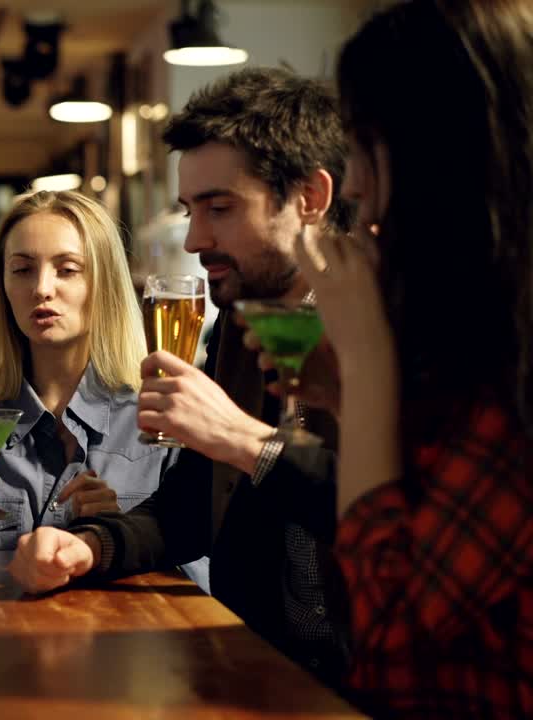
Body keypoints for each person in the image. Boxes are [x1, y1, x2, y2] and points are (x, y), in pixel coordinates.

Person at [6, 67, 353, 684]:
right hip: (260, 668)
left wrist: (246, 442)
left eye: (220, 208)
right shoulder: (241, 328)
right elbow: (191, 507)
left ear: (310, 199)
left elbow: (392, 513)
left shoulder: (389, 332)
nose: (194, 239)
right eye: (189, 209)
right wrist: (91, 547)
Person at [257, 1, 533, 715]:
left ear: (442, 154)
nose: (351, 184)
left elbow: (390, 641)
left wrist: (367, 362)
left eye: (364, 145)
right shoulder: (469, 332)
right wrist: (355, 392)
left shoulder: (512, 364)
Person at [0, 189, 208, 586]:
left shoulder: (165, 418)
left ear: (104, 283)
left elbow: (201, 577)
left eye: (68, 269)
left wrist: (117, 536)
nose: (42, 288)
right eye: (22, 269)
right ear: (2, 286)